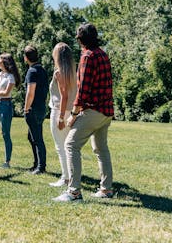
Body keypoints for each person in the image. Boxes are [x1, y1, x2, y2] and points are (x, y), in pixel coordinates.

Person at [53, 23, 114, 202]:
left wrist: (73, 114)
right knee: (101, 149)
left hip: (93, 110)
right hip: (106, 111)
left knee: (70, 145)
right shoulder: (103, 54)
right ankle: (106, 189)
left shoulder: (87, 56)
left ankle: (74, 192)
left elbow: (83, 91)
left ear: (80, 40)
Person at [47, 42, 77, 187]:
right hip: (71, 111)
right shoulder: (73, 72)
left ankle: (66, 177)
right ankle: (69, 176)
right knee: (67, 146)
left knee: (61, 146)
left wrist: (59, 118)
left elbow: (63, 96)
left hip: (59, 110)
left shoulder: (59, 72)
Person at [23, 45, 49, 175]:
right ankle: (36, 163)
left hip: (33, 108)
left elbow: (30, 92)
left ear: (26, 58)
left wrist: (26, 108)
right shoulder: (42, 70)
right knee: (32, 136)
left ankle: (40, 166)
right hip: (41, 107)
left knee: (37, 138)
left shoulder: (32, 71)